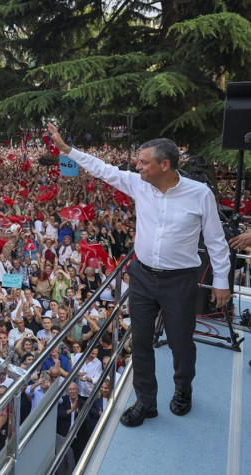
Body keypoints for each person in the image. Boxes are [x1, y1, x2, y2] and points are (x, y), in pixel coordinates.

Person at [48, 123, 231, 427]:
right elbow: (103, 170)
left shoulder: (200, 195)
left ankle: (183, 388)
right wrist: (68, 150)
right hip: (142, 277)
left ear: (165, 165)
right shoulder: (138, 184)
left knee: (181, 343)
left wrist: (222, 281)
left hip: (180, 280)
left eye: (144, 162)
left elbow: (215, 241)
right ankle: (146, 401)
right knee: (141, 341)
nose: (137, 166)